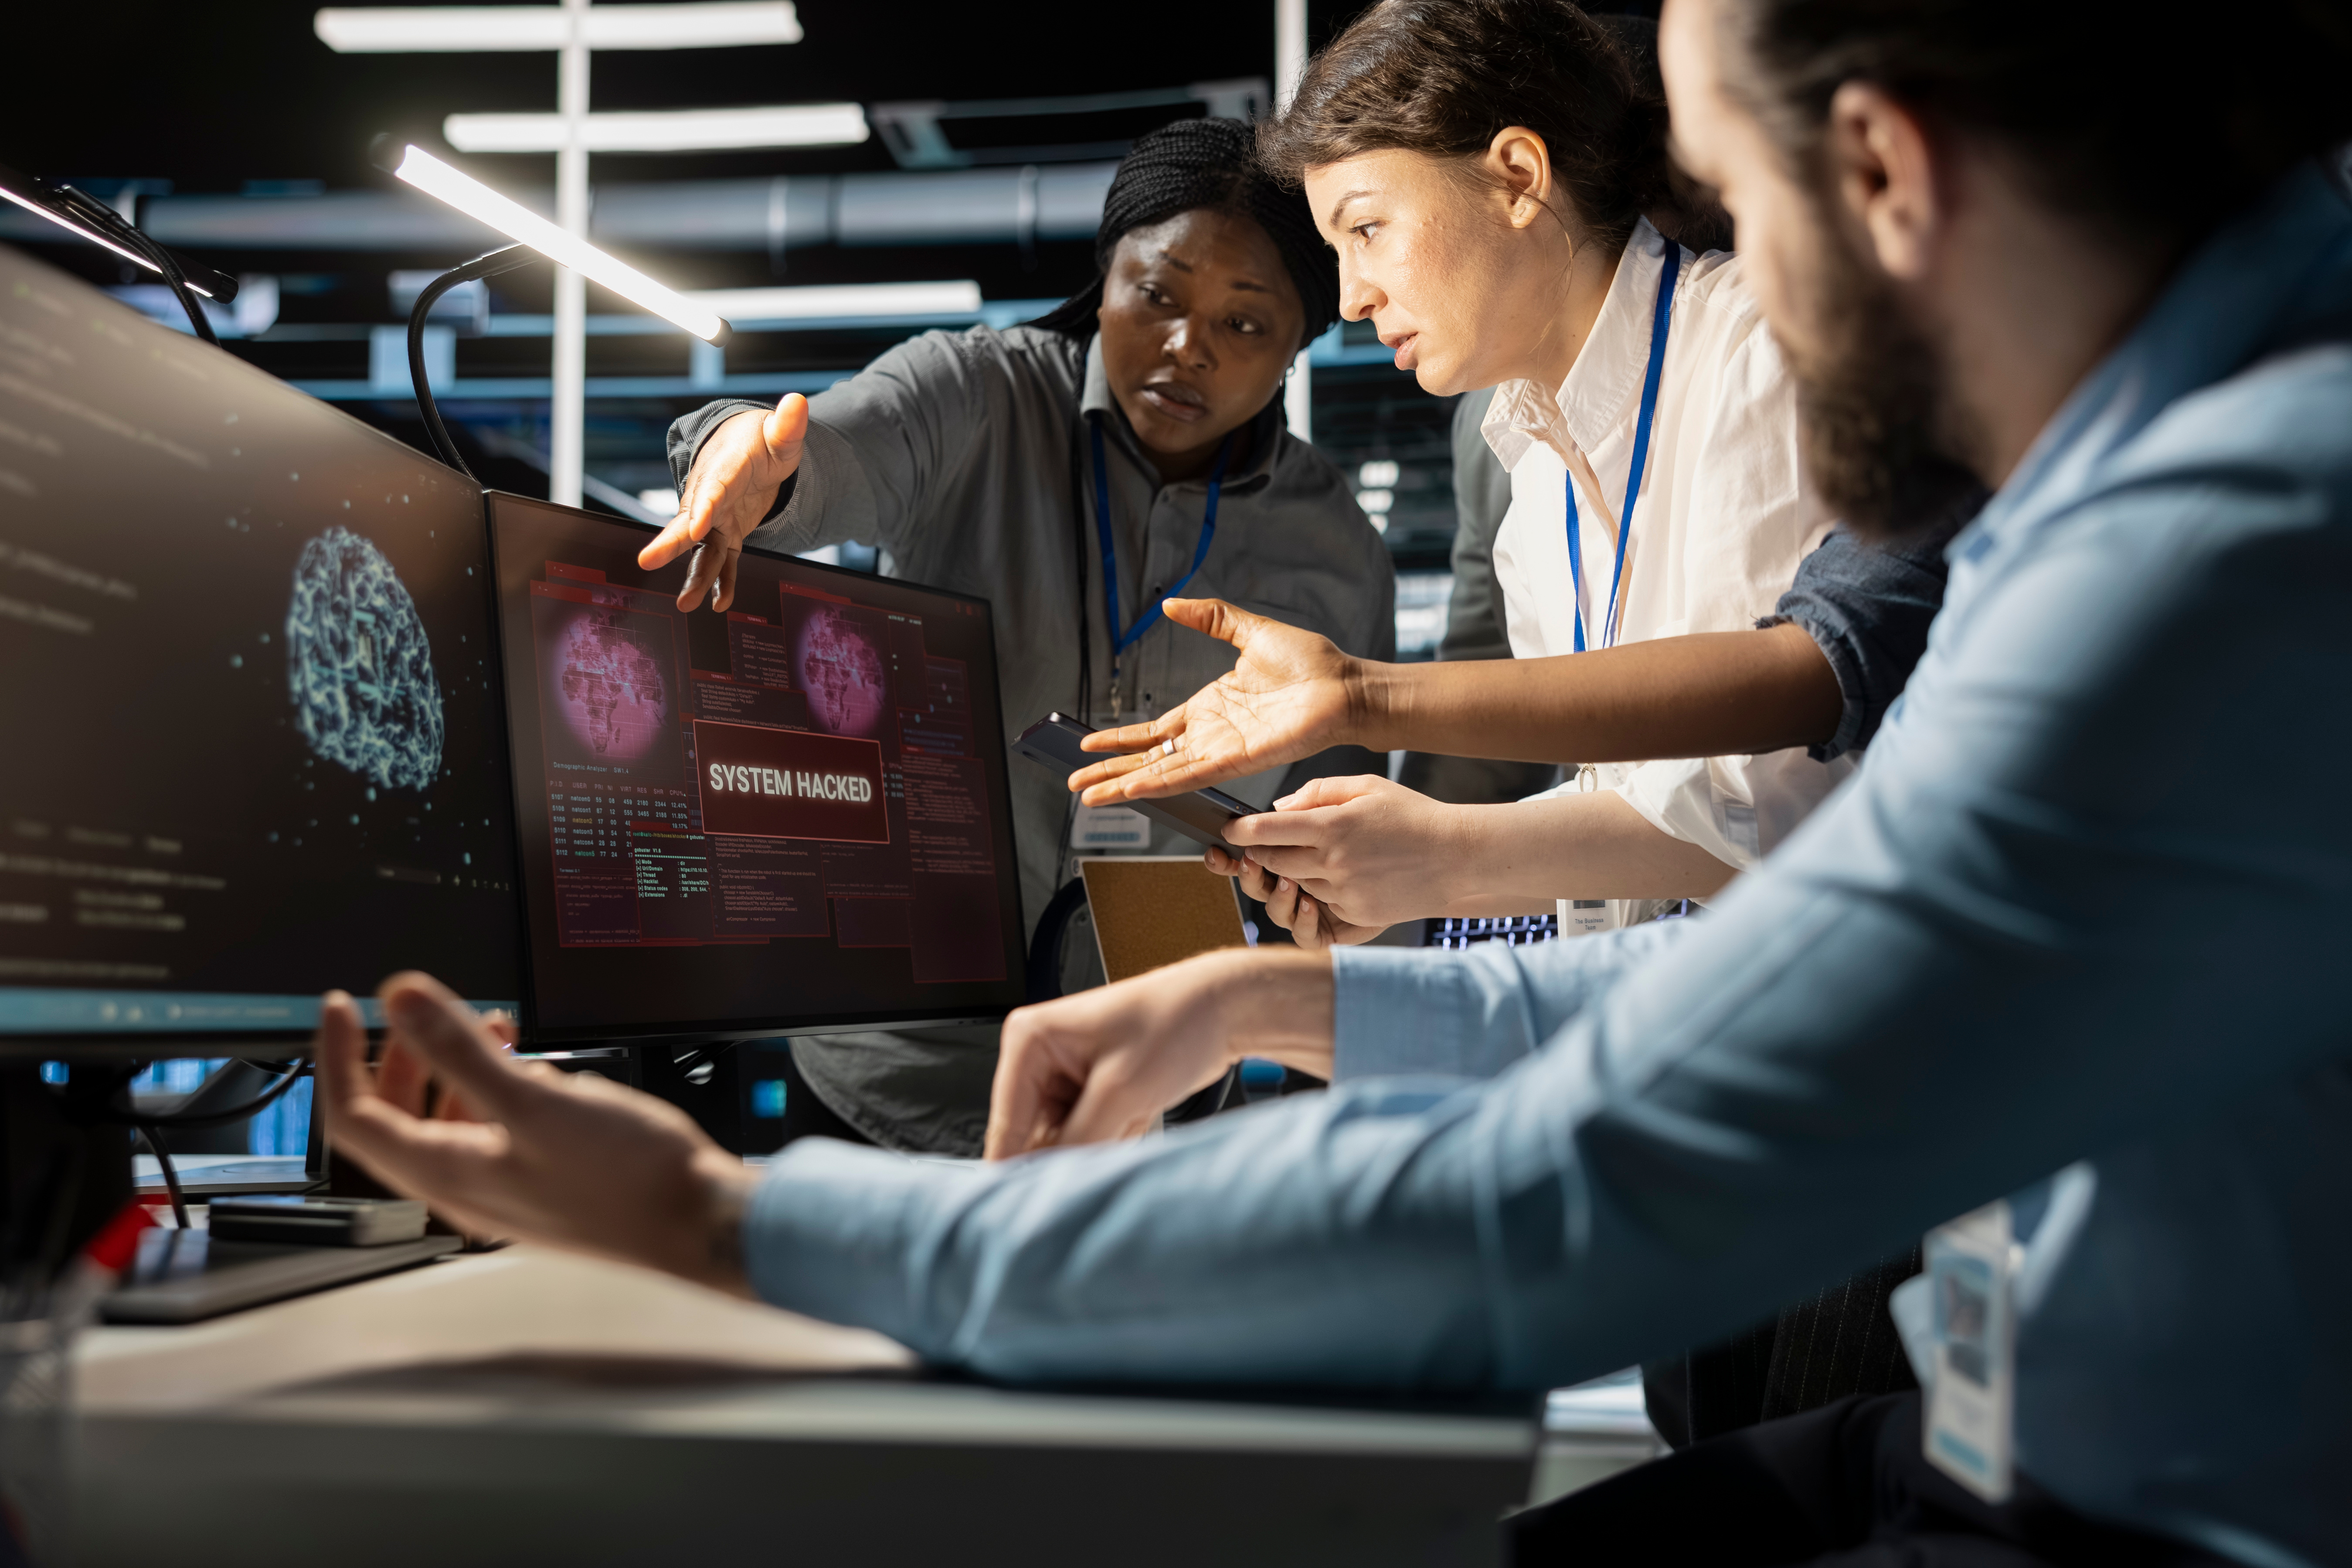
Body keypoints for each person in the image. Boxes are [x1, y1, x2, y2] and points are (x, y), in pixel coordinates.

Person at [313, 0, 2352, 1561]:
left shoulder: (2217, 561)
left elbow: (1580, 1185)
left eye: (1733, 201)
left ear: (1887, 173)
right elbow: (1819, 966)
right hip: (2028, 1435)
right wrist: (1274, 993)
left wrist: (715, 1212)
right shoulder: (2169, 500)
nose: (1731, 286)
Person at [645, 119, 1394, 1155]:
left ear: (1298, 345)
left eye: (1245, 325)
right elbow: (831, 454)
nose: (1188, 347)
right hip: (898, 1067)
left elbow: (1351, 861)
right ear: (1106, 271)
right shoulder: (975, 397)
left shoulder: (1336, 550)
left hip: (1152, 1091)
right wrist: (748, 455)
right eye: (1159, 295)